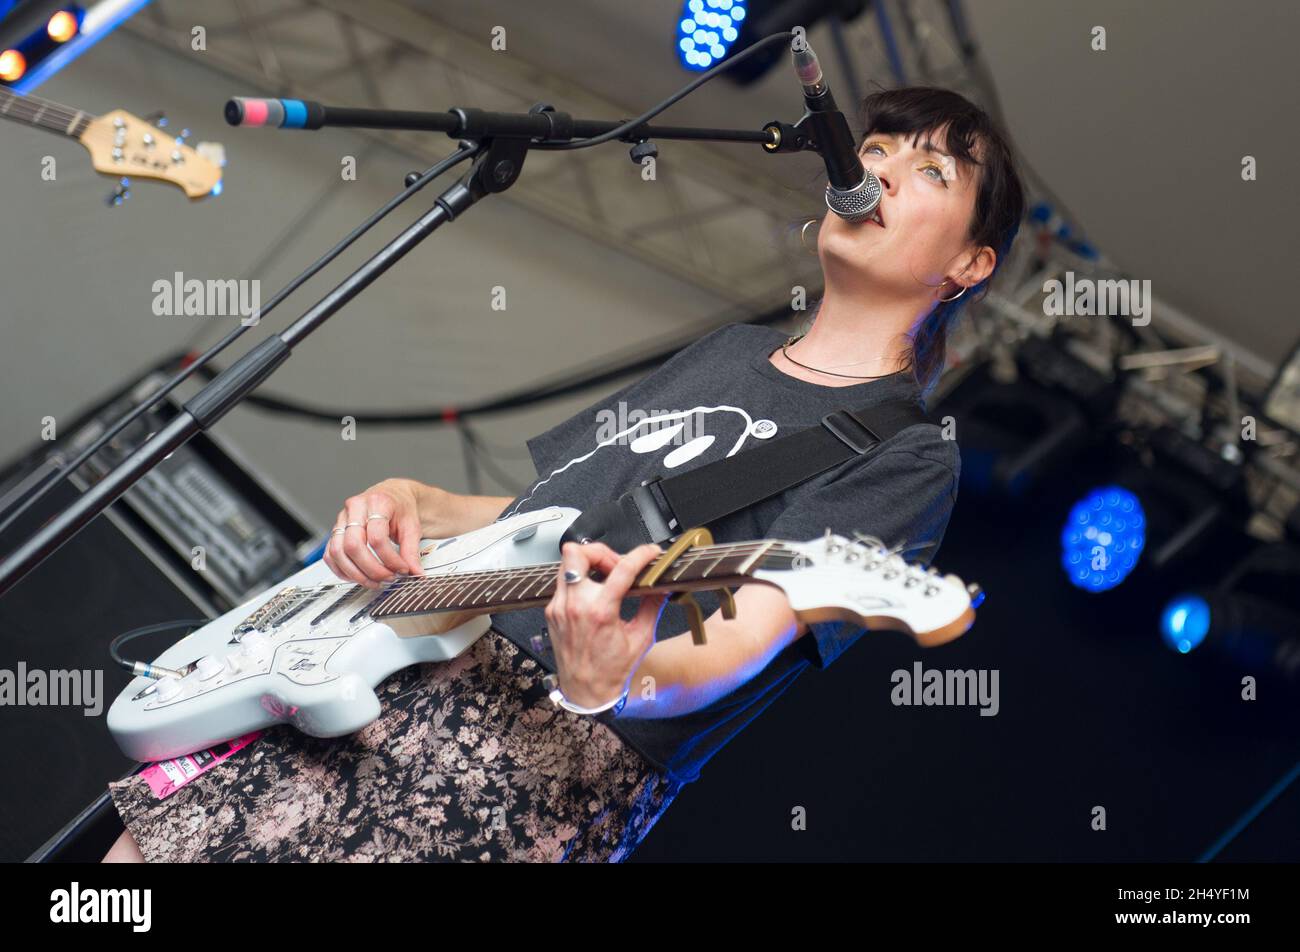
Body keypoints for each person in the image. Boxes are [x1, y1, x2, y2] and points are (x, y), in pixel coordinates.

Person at [102, 85, 1026, 862]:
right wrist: (418, 503)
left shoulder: (906, 452)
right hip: (391, 654)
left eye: (932, 170)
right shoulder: (732, 352)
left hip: (525, 759)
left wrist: (619, 677)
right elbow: (551, 521)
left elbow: (738, 643)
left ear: (969, 264)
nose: (881, 171)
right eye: (875, 148)